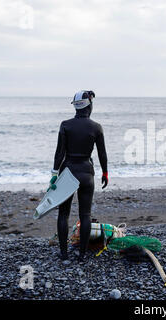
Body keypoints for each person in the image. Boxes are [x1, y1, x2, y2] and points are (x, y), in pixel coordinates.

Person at [49, 90, 108, 262]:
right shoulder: (96, 127)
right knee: (85, 215)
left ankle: (64, 253)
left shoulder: (65, 125)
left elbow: (59, 153)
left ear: (75, 107)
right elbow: (102, 154)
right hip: (86, 173)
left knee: (63, 214)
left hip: (68, 173)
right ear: (89, 105)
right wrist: (105, 172)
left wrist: (54, 174)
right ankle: (82, 255)